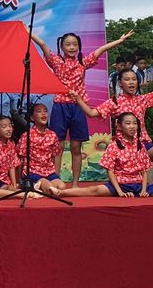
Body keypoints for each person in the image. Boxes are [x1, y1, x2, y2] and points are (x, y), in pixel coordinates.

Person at [32, 29, 134, 187]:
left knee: (76, 146)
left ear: (78, 47)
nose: (72, 47)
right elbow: (43, 44)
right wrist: (28, 32)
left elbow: (101, 49)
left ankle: (75, 184)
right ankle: (55, 182)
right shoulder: (56, 61)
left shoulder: (83, 63)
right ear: (62, 47)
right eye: (68, 44)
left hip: (78, 107)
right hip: (60, 106)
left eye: (75, 44)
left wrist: (120, 40)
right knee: (58, 146)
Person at [71, 66, 153, 185]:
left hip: (141, 146)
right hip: (123, 149)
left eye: (134, 79)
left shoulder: (142, 100)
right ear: (120, 83)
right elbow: (92, 113)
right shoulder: (114, 102)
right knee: (126, 184)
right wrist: (78, 99)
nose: (131, 82)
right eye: (127, 79)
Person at [17, 104, 67, 195]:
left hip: (49, 172)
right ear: (32, 117)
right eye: (39, 112)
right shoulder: (27, 135)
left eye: (45, 111)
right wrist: (19, 180)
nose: (43, 114)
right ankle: (37, 185)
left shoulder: (52, 135)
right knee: (49, 186)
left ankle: (38, 187)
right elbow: (21, 159)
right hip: (33, 172)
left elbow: (54, 156)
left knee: (62, 186)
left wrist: (56, 174)